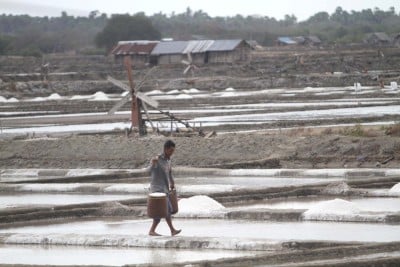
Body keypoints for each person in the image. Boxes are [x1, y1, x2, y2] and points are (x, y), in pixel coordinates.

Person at [148, 140, 181, 236]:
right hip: (157, 190)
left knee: (165, 211)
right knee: (167, 210)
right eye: (170, 151)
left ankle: (153, 231)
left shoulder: (168, 160)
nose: (172, 153)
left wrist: (172, 182)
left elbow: (169, 172)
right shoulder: (157, 159)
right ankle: (172, 230)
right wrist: (152, 164)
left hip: (165, 189)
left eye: (173, 151)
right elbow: (148, 170)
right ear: (165, 149)